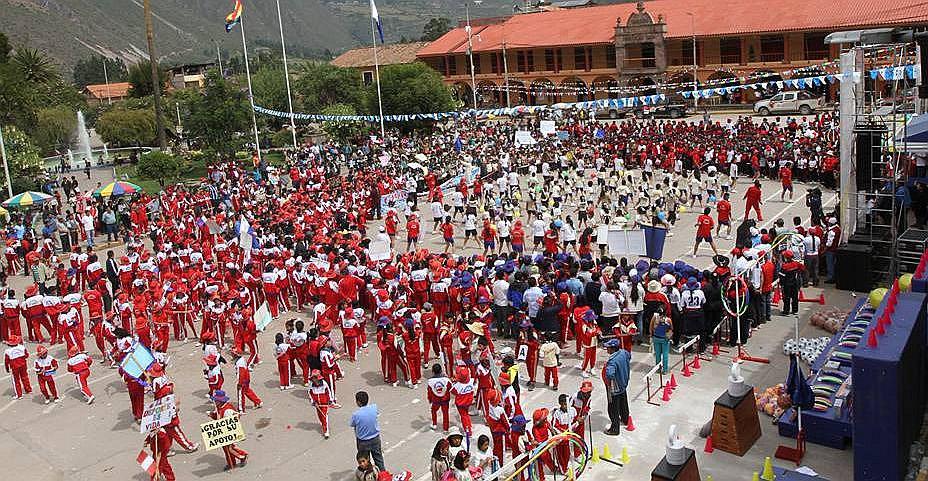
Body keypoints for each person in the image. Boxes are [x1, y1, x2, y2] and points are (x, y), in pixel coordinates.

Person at [210, 390, 248, 470]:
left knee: (230, 448)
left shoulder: (228, 410)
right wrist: (212, 415)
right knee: (225, 448)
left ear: (220, 401)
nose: (215, 401)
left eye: (216, 400)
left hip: (228, 431)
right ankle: (231, 463)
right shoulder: (219, 407)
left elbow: (231, 422)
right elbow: (217, 417)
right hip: (222, 431)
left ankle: (242, 456)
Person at [351, 390, 385, 471]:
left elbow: (352, 424)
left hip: (363, 441)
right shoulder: (374, 407)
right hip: (375, 438)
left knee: (365, 461)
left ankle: (368, 476)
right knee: (378, 458)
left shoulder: (356, 414)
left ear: (358, 402)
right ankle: (383, 475)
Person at [602, 339, 630, 435]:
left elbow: (610, 374)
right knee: (623, 402)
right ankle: (625, 419)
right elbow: (629, 356)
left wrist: (607, 368)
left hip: (614, 387)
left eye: (608, 348)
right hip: (623, 383)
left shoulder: (612, 361)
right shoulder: (623, 352)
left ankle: (615, 429)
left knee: (613, 407)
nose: (607, 349)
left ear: (613, 349)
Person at [649, 308, 673, 374]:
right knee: (665, 354)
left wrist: (651, 335)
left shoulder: (655, 317)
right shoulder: (668, 320)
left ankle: (658, 368)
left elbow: (650, 327)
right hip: (665, 339)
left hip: (656, 338)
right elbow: (671, 329)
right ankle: (665, 370)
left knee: (657, 354)